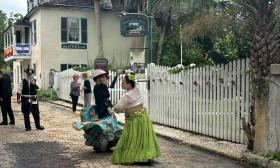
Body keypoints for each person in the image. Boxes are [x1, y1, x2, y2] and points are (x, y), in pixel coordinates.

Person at [110, 72, 160, 165]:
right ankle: (146, 156)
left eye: (123, 82)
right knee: (143, 137)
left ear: (129, 84)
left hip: (133, 120)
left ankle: (138, 156)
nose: (121, 84)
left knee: (133, 138)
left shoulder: (126, 96)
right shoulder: (136, 90)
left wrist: (112, 110)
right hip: (143, 117)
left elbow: (118, 108)